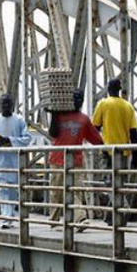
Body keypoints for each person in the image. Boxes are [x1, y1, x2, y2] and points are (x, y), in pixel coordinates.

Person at [48, 89, 103, 231]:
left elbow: (96, 139)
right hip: (58, 159)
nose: (78, 101)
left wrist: (108, 150)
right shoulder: (60, 116)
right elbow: (53, 133)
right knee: (56, 191)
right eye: (76, 98)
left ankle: (80, 219)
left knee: (75, 190)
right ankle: (53, 221)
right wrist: (54, 114)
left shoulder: (84, 119)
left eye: (80, 98)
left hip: (75, 161)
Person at [92, 79, 137, 226]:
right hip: (124, 152)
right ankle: (111, 218)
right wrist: (135, 156)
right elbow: (133, 134)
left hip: (108, 151)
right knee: (118, 184)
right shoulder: (128, 106)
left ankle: (124, 208)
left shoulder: (103, 104)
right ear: (120, 90)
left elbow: (95, 128)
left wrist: (101, 146)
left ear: (108, 89)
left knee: (110, 184)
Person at [0, 93, 32, 229]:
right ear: (0, 105)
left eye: (8, 103)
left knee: (13, 189)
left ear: (13, 105)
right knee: (3, 189)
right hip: (0, 159)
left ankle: (10, 215)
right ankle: (6, 218)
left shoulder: (19, 120)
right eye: (3, 104)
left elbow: (27, 138)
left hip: (14, 160)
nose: (5, 106)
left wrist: (10, 140)